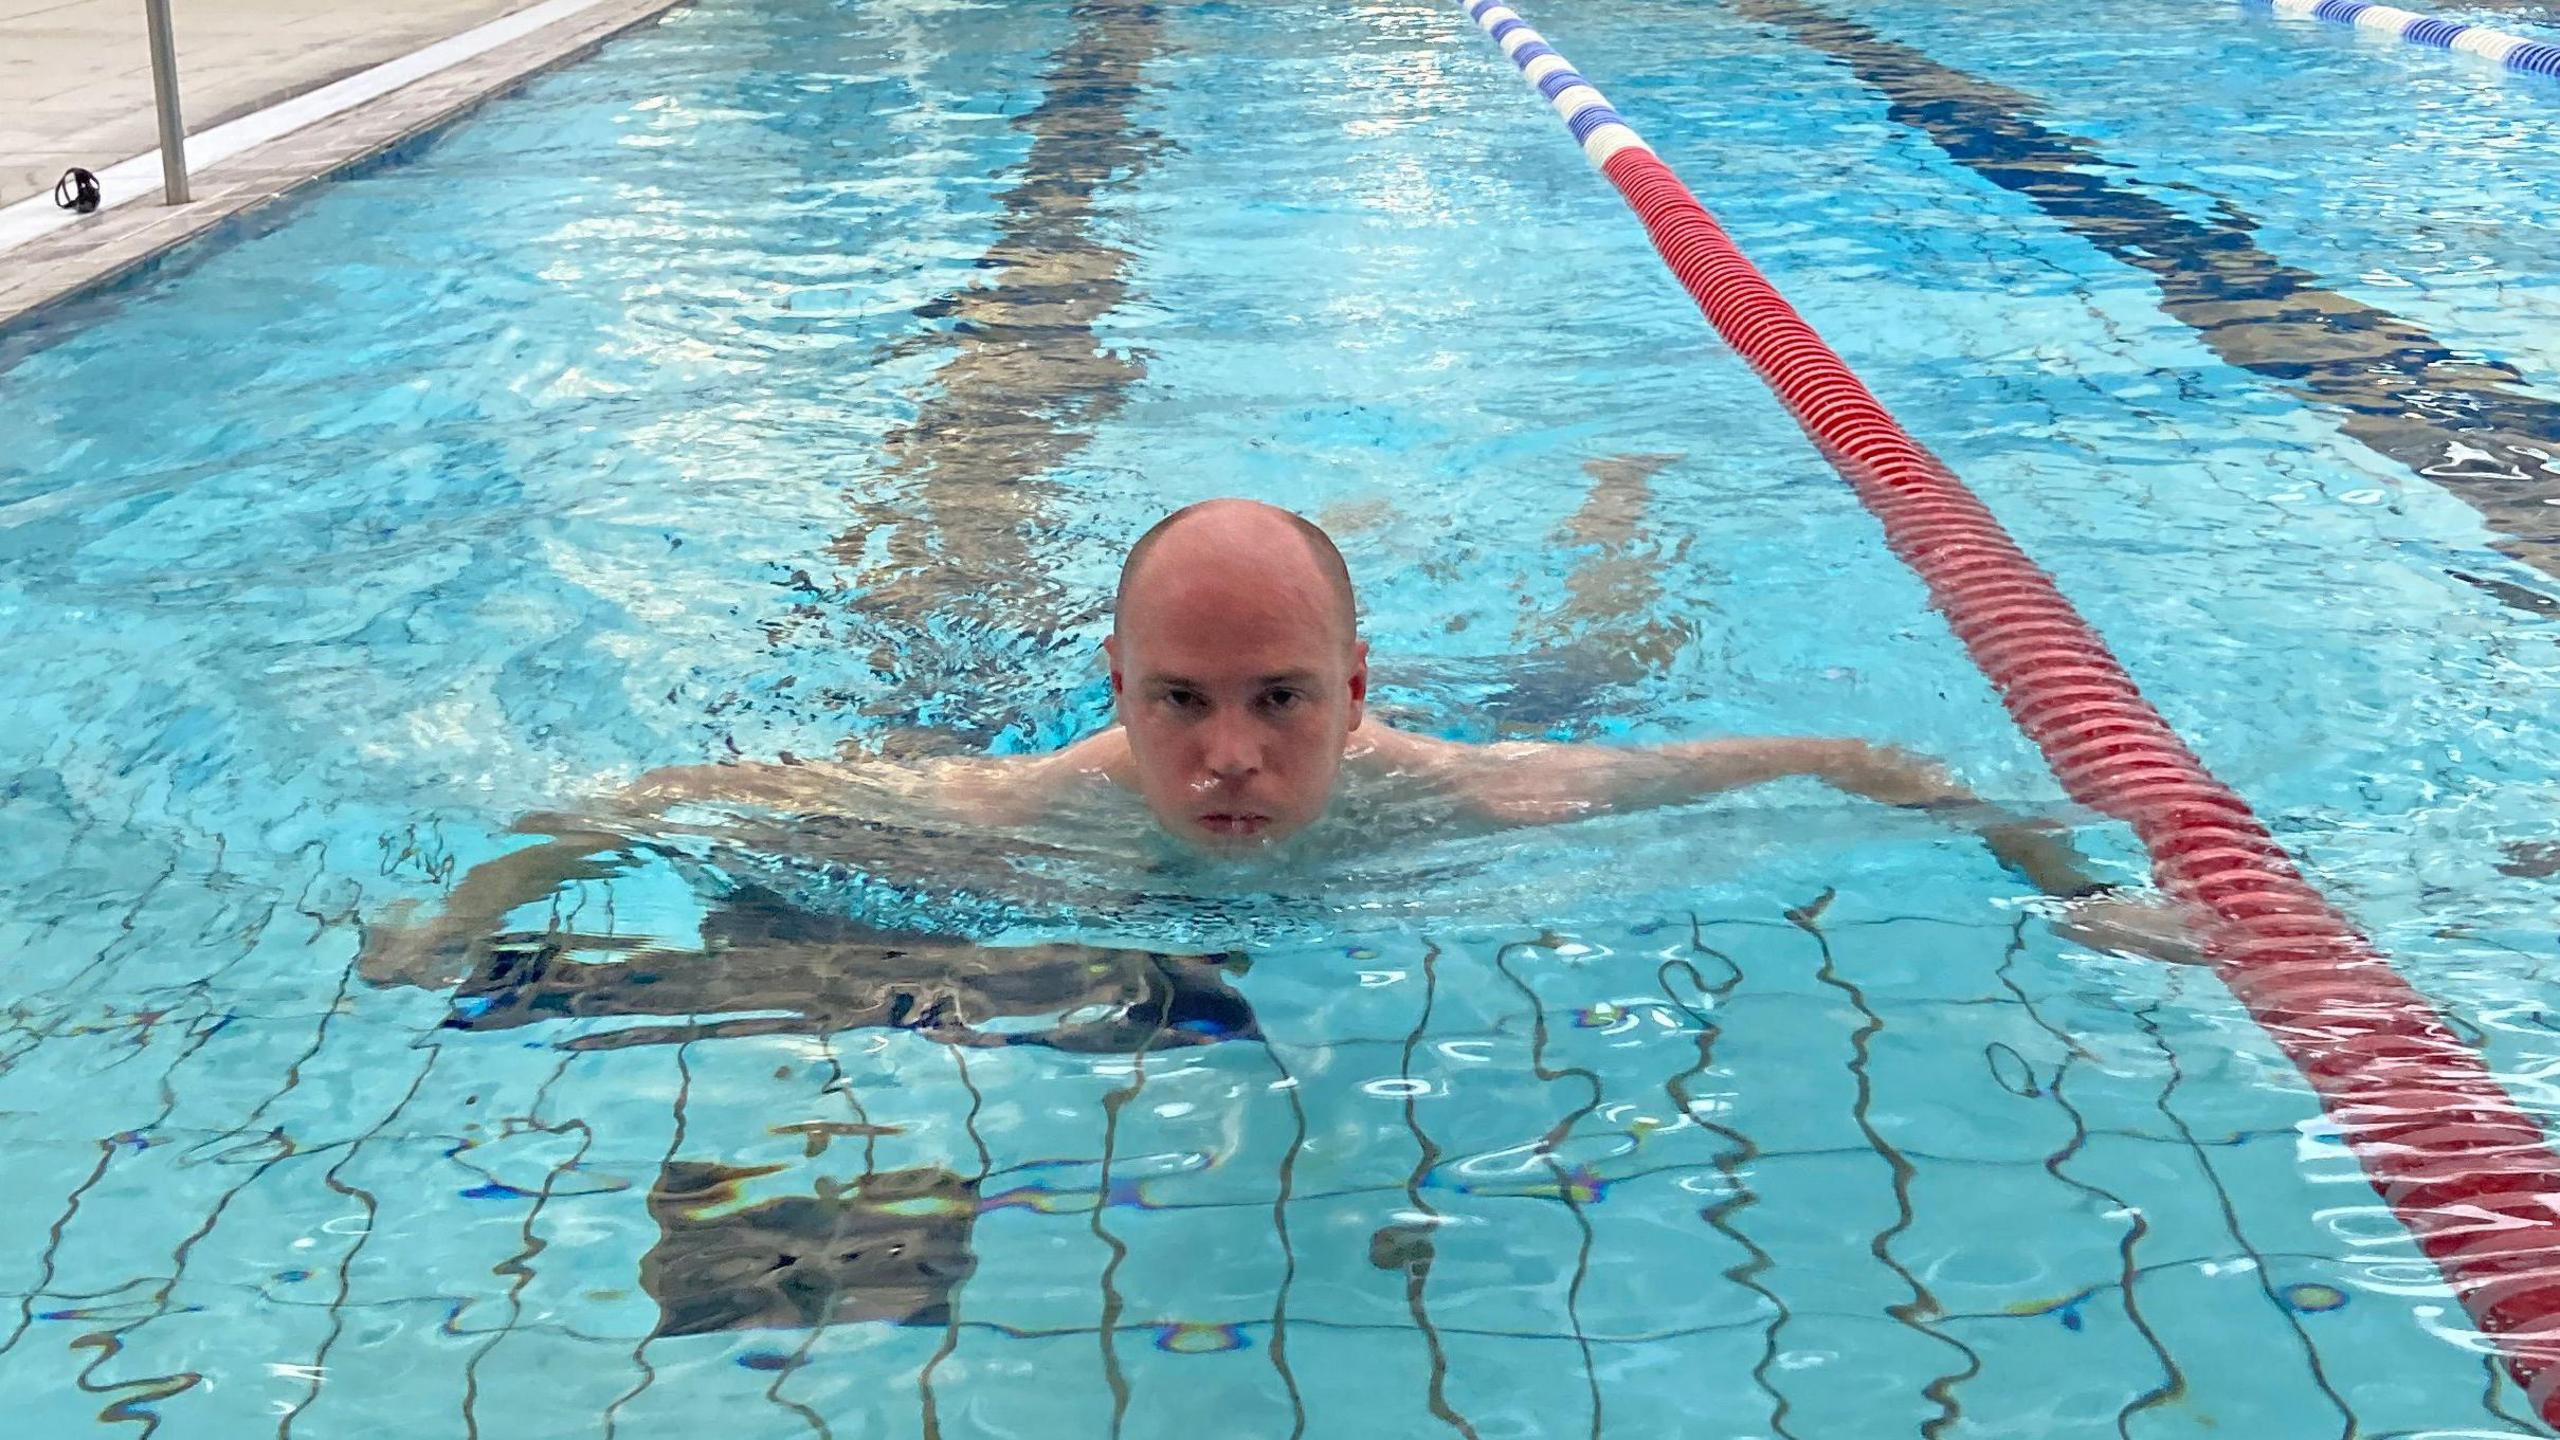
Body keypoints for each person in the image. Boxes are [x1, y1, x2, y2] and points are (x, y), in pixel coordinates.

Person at [372, 497, 2197, 968]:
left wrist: (2072, 880)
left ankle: (1612, 509)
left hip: (1482, 716)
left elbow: (1842, 764)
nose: (1229, 760)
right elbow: (660, 795)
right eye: (1179, 702)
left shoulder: (1486, 792)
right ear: (1116, 699)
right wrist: (466, 915)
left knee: (1592, 652)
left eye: (1278, 703)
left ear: (1355, 694)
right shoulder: (1016, 812)